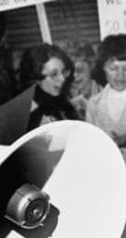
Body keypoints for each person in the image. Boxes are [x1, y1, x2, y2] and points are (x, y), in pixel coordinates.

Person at [19, 43, 79, 131]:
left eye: (63, 72)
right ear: (37, 78)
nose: (62, 79)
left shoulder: (61, 100)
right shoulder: (28, 114)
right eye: (54, 74)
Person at [86, 34, 126, 162]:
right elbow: (91, 148)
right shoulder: (93, 104)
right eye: (113, 68)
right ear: (103, 67)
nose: (121, 75)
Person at [62, 41, 101, 117]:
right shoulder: (59, 98)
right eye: (69, 72)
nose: (74, 76)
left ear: (91, 66)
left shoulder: (106, 95)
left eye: (80, 70)